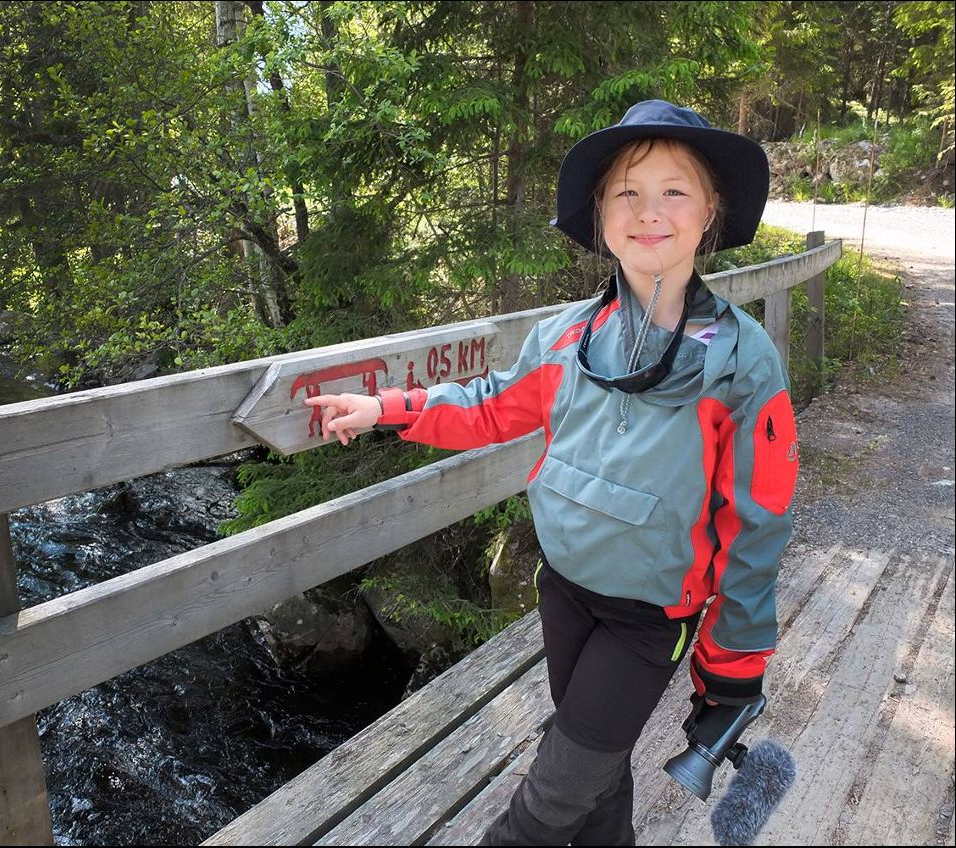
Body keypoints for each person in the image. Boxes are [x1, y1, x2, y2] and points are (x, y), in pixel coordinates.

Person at [304, 100, 799, 846]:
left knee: (547, 801)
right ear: (601, 216)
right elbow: (487, 406)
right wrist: (386, 409)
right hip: (564, 591)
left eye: (673, 191)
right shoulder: (565, 336)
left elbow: (757, 520)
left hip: (649, 619)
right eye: (626, 192)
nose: (648, 211)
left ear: (710, 212)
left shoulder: (741, 359)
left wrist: (731, 665)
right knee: (599, 779)